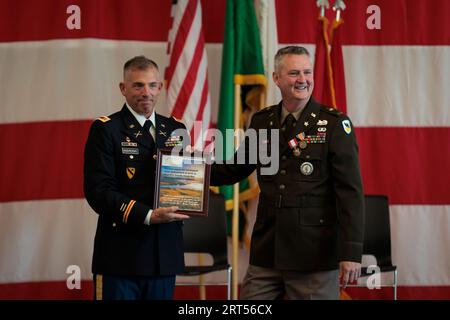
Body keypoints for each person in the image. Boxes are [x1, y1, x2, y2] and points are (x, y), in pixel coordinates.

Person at [211, 46, 364, 299]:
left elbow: (350, 193)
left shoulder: (335, 124)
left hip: (313, 254)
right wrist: (188, 170)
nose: (302, 79)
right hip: (267, 251)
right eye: (294, 73)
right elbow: (233, 169)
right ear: (276, 78)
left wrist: (351, 252)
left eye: (307, 72)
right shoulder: (262, 121)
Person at [84, 56, 190, 300]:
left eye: (152, 85)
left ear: (160, 88)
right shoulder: (106, 129)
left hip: (164, 255)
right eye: (138, 85)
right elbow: (98, 192)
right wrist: (148, 215)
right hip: (120, 257)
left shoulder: (175, 129)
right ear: (123, 88)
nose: (146, 92)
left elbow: (184, 182)